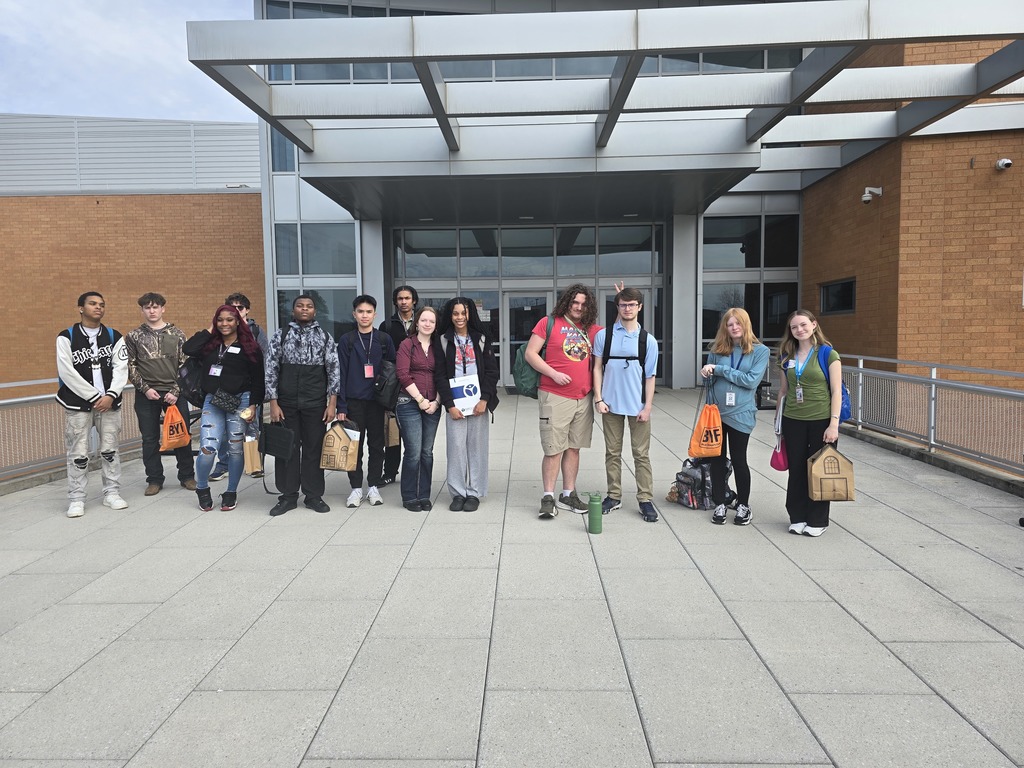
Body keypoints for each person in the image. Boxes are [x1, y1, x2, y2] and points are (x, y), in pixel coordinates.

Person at [524, 284, 601, 519]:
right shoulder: (549, 323)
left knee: (574, 448)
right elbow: (530, 353)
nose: (578, 307)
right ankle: (548, 497)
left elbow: (622, 326)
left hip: (583, 398)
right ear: (567, 302)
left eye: (583, 303)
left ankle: (568, 494)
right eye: (574, 302)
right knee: (553, 449)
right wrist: (553, 374)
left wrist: (621, 299)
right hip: (554, 396)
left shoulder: (593, 330)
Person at [183, 305, 265, 512]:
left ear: (238, 321)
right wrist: (210, 330)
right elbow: (188, 349)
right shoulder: (210, 344)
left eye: (230, 319)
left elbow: (258, 380)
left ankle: (231, 492)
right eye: (220, 320)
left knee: (235, 449)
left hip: (242, 401)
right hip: (214, 401)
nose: (225, 324)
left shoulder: (250, 347)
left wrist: (254, 405)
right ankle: (202, 488)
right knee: (207, 448)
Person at [264, 294, 341, 516]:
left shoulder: (324, 337)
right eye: (300, 306)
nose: (304, 309)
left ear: (315, 312)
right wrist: (273, 403)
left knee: (313, 449)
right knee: (286, 448)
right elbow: (271, 370)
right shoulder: (281, 335)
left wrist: (332, 403)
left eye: (309, 306)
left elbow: (333, 370)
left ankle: (313, 495)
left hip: (315, 402)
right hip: (286, 403)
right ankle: (287, 496)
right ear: (293, 310)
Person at [56, 292, 130, 518]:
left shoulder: (113, 335)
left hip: (109, 403)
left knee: (110, 450)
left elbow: (121, 368)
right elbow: (66, 372)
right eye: (93, 304)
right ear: (80, 308)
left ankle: (112, 493)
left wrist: (110, 394)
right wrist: (92, 396)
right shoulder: (66, 337)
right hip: (78, 405)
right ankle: (77, 498)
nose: (98, 308)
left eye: (102, 305)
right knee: (78, 453)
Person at [592, 287, 660, 522]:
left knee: (641, 455)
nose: (627, 308)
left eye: (632, 304)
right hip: (610, 405)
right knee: (612, 452)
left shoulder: (647, 341)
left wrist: (648, 407)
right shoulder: (605, 335)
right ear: (617, 307)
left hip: (638, 405)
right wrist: (598, 398)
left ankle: (645, 499)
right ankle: (614, 495)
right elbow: (597, 368)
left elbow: (650, 376)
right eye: (623, 305)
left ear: (640, 307)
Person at [700, 308, 770, 526]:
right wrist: (707, 374)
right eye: (730, 324)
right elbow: (711, 384)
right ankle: (719, 502)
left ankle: (744, 505)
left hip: (741, 413)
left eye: (738, 323)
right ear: (725, 328)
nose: (734, 328)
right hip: (716, 413)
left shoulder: (759, 351)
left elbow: (750, 381)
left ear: (745, 325)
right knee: (716, 460)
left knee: (739, 459)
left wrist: (719, 370)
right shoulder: (717, 350)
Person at [776, 309, 843, 537]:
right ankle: (797, 516)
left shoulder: (828, 354)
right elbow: (783, 391)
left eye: (803, 325)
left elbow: (836, 391)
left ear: (814, 325)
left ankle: (817, 519)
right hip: (793, 420)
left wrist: (833, 424)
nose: (799, 330)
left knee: (819, 470)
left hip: (821, 420)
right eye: (794, 327)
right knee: (796, 470)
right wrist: (778, 423)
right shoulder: (787, 356)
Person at [124, 292, 197, 497]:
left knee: (182, 436)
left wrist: (176, 390)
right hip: (147, 394)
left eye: (155, 307)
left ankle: (187, 476)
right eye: (147, 307)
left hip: (175, 394)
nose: (152, 311)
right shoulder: (134, 336)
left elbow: (185, 365)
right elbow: (130, 366)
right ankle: (154, 479)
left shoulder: (177, 334)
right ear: (142, 311)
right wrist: (145, 388)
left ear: (163, 308)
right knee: (149, 439)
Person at [434, 296, 499, 512]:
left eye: (463, 313)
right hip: (455, 404)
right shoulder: (443, 340)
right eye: (455, 313)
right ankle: (458, 493)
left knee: (477, 448)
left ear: (470, 314)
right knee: (456, 448)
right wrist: (449, 405)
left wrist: (485, 399)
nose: (459, 317)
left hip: (478, 402)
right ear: (450, 316)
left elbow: (492, 372)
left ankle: (474, 492)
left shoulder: (481, 339)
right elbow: (440, 375)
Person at [337, 294, 396, 508]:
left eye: (368, 312)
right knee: (354, 447)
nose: (364, 315)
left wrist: (391, 402)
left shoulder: (383, 339)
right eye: (360, 312)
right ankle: (355, 488)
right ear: (354, 314)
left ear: (375, 314)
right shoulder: (347, 340)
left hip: (378, 402)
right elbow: (340, 374)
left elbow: (392, 370)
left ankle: (373, 485)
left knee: (377, 445)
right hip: (354, 402)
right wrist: (341, 405)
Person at [209, 292, 269, 481]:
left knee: (250, 428)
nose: (236, 311)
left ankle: (253, 464)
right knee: (226, 431)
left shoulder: (256, 331)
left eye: (240, 308)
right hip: (223, 392)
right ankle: (224, 464)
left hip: (247, 393)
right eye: (232, 308)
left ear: (247, 310)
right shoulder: (220, 332)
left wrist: (260, 393)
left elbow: (265, 361)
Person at [395, 305, 442, 511]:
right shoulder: (407, 344)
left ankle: (424, 495)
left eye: (431, 321)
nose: (427, 324)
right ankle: (409, 496)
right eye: (424, 320)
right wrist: (421, 400)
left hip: (434, 404)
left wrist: (437, 402)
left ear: (435, 324)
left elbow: (444, 375)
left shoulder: (439, 346)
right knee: (413, 451)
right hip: (408, 403)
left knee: (427, 452)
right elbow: (403, 374)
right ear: (417, 322)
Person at [379, 285, 418, 485]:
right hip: (394, 384)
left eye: (407, 298)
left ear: (414, 301)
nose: (404, 301)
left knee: (415, 434)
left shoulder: (422, 323)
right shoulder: (387, 325)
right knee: (392, 431)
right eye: (400, 298)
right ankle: (390, 472)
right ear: (396, 301)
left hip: (418, 382)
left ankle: (415, 472)